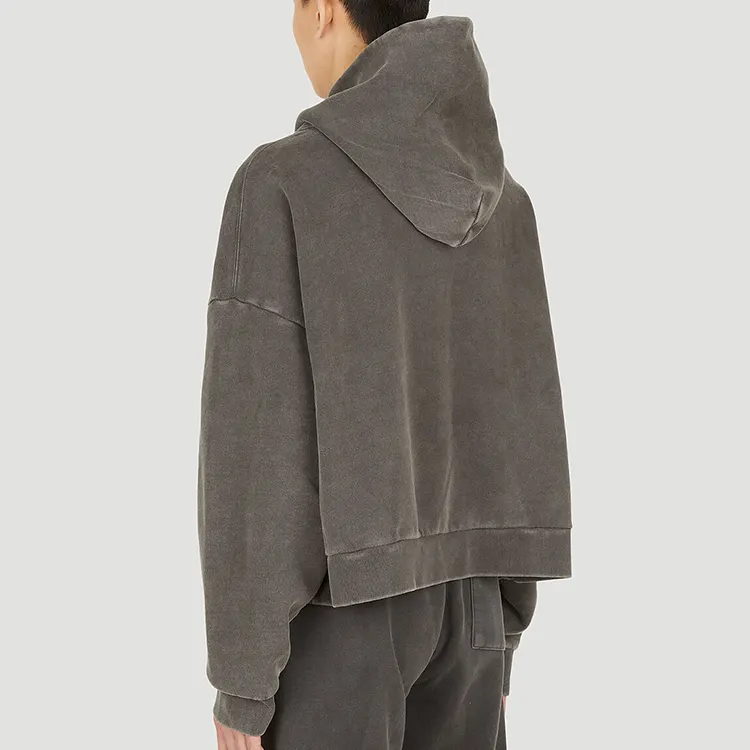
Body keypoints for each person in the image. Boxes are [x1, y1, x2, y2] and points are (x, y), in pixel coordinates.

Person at [197, 2, 573, 748]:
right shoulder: (506, 203)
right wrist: (503, 622)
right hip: (474, 610)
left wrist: (242, 679)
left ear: (324, 10)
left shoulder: (281, 183)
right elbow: (523, 415)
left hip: (341, 627)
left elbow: (255, 447)